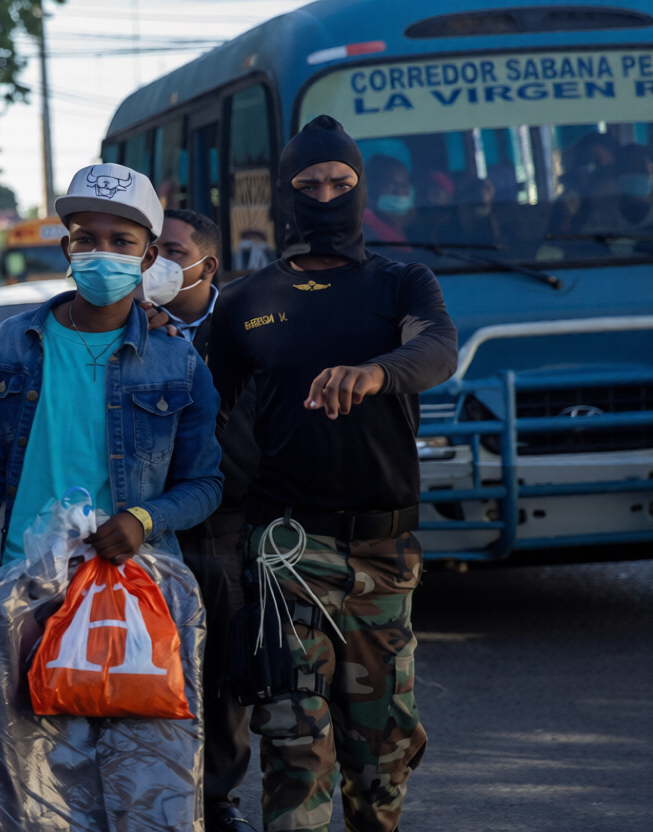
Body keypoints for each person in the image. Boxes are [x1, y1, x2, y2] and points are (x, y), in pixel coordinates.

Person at [0, 163, 223, 829]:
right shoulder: (14, 343)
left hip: (139, 604)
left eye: (121, 241)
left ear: (149, 255)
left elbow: (207, 483)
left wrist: (143, 517)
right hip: (26, 598)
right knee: (24, 795)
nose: (102, 253)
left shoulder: (177, 360)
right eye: (85, 238)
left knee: (143, 795)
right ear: (67, 248)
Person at [207, 115, 457, 832]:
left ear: (361, 188)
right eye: (307, 184)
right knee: (292, 738)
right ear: (284, 195)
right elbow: (205, 418)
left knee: (381, 755)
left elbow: (438, 350)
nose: (324, 196)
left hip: (385, 549)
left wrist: (377, 374)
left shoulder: (403, 283)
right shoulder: (245, 301)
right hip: (284, 547)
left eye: (340, 183)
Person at [146, 208, 255, 831]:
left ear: (206, 265)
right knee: (146, 660)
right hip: (144, 518)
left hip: (227, 520)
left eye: (170, 249)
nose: (155, 261)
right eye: (151, 248)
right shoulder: (129, 320)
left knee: (223, 668)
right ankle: (152, 786)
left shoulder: (246, 324)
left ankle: (216, 798)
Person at [361, 154, 414, 246]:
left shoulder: (398, 223)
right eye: (389, 185)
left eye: (404, 185)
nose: (399, 193)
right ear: (371, 188)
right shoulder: (365, 228)